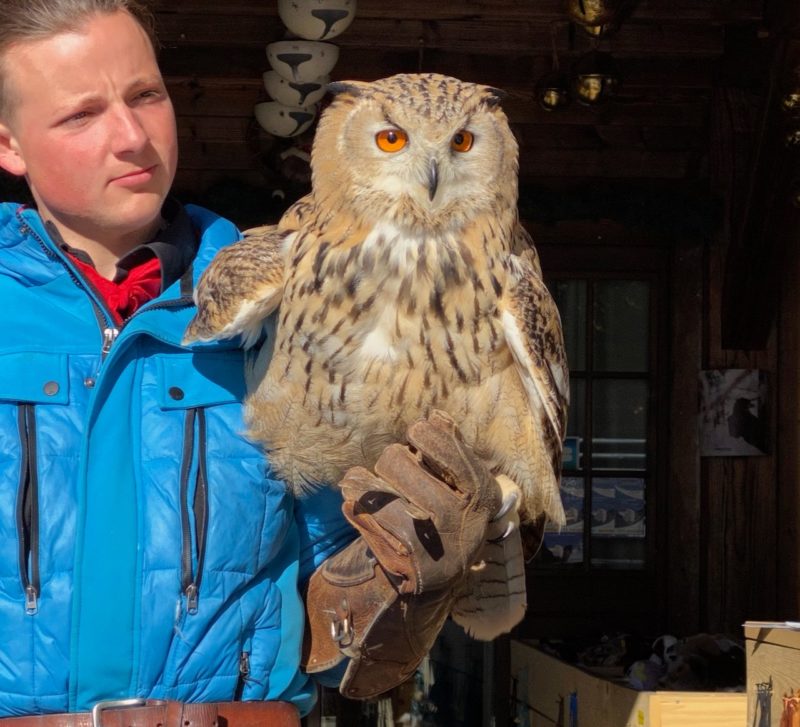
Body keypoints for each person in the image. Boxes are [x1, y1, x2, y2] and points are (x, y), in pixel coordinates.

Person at [0, 2, 504, 725]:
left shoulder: (295, 291)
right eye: (82, 115)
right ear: (10, 145)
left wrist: (410, 572)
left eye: (146, 96)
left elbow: (338, 576)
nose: (133, 137)